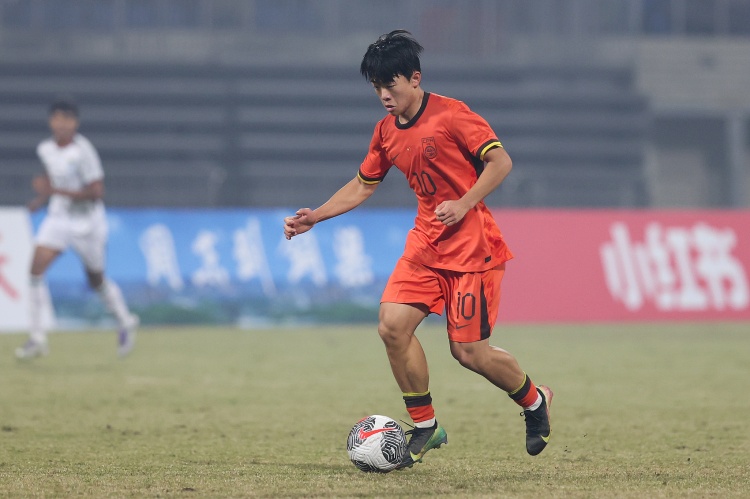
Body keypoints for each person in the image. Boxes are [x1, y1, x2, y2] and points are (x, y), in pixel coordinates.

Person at [284, 30, 553, 468]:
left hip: (473, 251)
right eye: (377, 87)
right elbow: (363, 184)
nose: (384, 96)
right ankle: (426, 426)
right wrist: (317, 215)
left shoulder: (453, 115)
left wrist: (464, 202)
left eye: (390, 85)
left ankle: (535, 400)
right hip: (425, 246)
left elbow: (500, 161)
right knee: (392, 326)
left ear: (415, 78)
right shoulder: (385, 131)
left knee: (469, 354)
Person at [16, 97, 138, 360]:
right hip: (59, 218)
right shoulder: (45, 149)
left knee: (96, 280)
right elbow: (53, 178)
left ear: (75, 123)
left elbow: (96, 192)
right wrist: (40, 200)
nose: (61, 124)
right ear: (51, 121)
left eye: (67, 119)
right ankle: (37, 338)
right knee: (35, 271)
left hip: (88, 223)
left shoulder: (84, 152)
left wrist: (54, 191)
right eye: (57, 118)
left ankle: (125, 320)